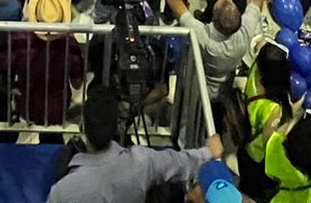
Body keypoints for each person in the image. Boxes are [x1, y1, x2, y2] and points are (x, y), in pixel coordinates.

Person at [45, 85, 223, 203]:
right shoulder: (141, 162)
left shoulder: (62, 191)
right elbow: (180, 163)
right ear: (116, 128)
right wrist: (208, 152)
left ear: (83, 127)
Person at [164, 0, 265, 101]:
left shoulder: (203, 36)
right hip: (222, 91)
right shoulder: (244, 34)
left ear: (214, 19)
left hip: (195, 91)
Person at [0, 0, 86, 128]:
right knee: (54, 142)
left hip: (26, 105)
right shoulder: (69, 44)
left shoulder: (19, 40)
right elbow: (77, 83)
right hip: (57, 108)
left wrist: (7, 89)